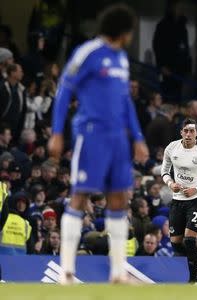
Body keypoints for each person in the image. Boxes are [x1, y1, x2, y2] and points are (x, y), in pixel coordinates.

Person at [47, 4, 149, 284]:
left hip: (118, 138)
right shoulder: (88, 52)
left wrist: (137, 137)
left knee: (119, 199)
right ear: (123, 31)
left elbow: (125, 99)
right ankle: (66, 271)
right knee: (80, 195)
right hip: (91, 135)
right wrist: (57, 132)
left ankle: (118, 273)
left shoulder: (122, 59)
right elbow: (64, 89)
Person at [161, 118, 197, 283]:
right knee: (176, 244)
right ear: (181, 132)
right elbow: (164, 172)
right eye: (185, 130)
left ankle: (193, 280)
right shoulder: (172, 148)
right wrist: (170, 183)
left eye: (192, 131)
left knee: (189, 239)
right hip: (178, 199)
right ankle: (196, 255)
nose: (188, 134)